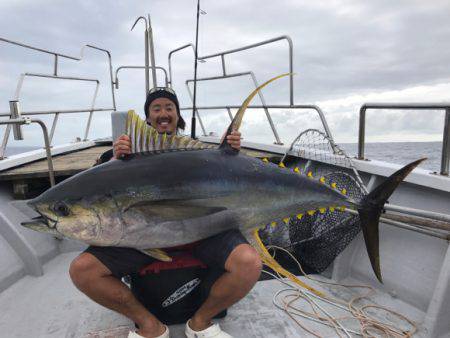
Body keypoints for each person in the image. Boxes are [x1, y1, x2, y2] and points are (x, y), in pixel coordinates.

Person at [69, 87, 262, 338]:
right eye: (156, 108)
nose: (163, 113)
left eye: (169, 108)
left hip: (202, 232)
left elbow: (223, 168)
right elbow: (99, 182)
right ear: (147, 117)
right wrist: (115, 158)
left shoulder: (198, 152)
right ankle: (150, 326)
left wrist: (231, 151)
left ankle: (200, 322)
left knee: (249, 263)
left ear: (177, 115)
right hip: (141, 237)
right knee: (82, 269)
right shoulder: (125, 153)